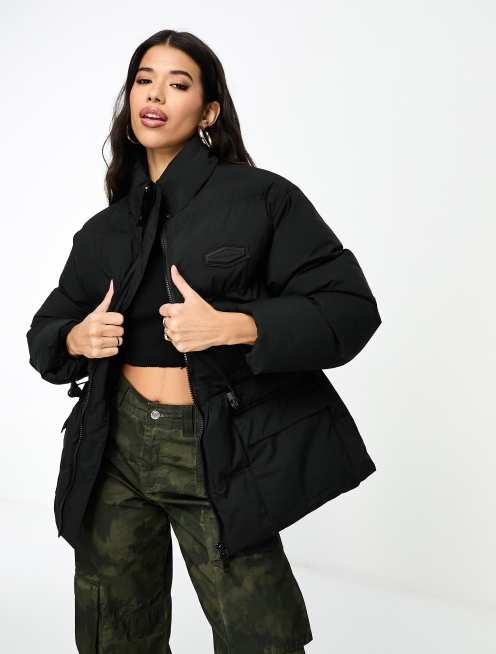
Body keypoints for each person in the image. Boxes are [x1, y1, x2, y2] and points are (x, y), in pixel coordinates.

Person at [26, 29, 382, 654]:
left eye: (178, 83)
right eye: (144, 80)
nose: (154, 95)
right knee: (115, 636)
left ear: (209, 111)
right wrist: (77, 337)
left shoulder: (261, 198)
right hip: (113, 445)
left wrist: (235, 326)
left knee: (262, 637)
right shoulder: (104, 229)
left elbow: (350, 308)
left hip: (215, 441)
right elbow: (45, 334)